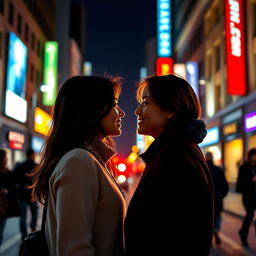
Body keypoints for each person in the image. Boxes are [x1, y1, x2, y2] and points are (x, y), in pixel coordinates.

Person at [30, 75, 126, 255]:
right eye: (114, 104)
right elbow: (75, 250)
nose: (121, 112)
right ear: (91, 109)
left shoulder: (90, 159)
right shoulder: (79, 161)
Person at [124, 74, 214, 256]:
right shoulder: (173, 150)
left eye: (146, 103)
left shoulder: (176, 157)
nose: (137, 111)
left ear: (171, 110)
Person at [14, 148, 38, 240]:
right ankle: (33, 229)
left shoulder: (20, 166)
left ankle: (24, 236)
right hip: (32, 194)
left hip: (22, 194)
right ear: (32, 155)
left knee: (23, 216)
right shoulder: (35, 166)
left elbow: (15, 179)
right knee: (34, 213)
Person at [205, 151, 229, 246]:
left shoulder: (203, 169)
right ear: (212, 158)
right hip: (218, 197)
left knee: (207, 218)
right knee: (217, 216)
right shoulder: (218, 170)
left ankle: (210, 234)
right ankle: (216, 229)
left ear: (206, 158)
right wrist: (222, 195)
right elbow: (225, 185)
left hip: (206, 198)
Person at [236, 148, 256, 247]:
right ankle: (243, 234)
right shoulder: (244, 167)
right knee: (250, 215)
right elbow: (239, 185)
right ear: (250, 156)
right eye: (254, 155)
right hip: (248, 197)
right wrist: (251, 180)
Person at [0, 149, 20, 248]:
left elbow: (13, 189)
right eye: (5, 157)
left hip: (3, 206)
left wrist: (6, 190)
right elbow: (14, 189)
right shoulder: (8, 173)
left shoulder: (8, 173)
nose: (7, 159)